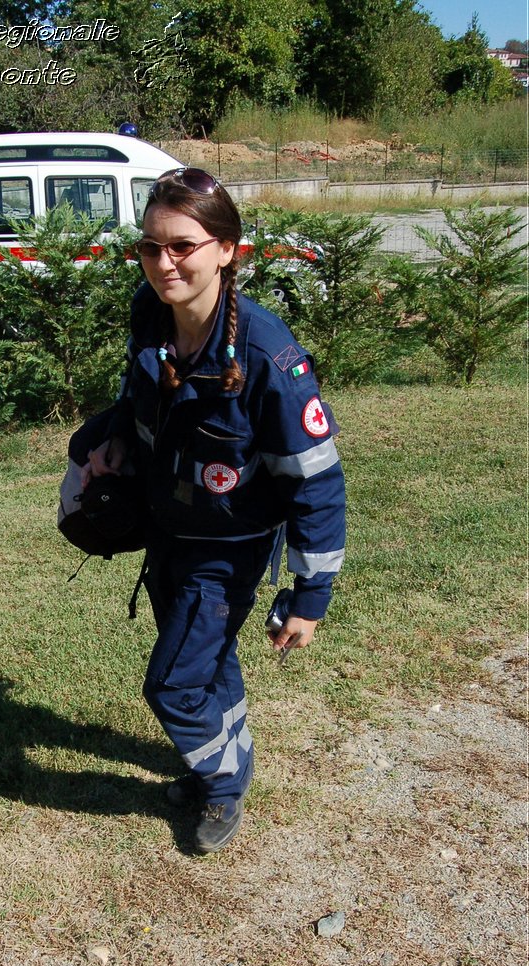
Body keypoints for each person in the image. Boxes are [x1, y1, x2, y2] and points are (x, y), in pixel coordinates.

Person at [82, 168, 345, 854]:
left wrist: (310, 595)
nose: (163, 262)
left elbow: (317, 483)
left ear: (228, 249)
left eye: (182, 246)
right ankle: (228, 757)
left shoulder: (266, 358)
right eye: (149, 247)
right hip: (166, 528)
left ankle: (221, 786)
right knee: (207, 662)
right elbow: (136, 394)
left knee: (172, 685)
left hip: (230, 547)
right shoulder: (150, 313)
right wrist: (112, 440)